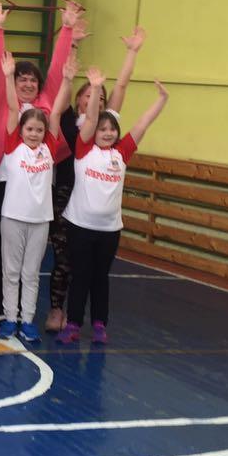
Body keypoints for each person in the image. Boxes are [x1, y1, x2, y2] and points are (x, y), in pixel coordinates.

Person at [0, 0, 84, 319]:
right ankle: (4, 311)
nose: (27, 83)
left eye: (32, 80)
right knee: (6, 251)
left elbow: (57, 71)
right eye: (21, 78)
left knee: (33, 255)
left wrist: (67, 28)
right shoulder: (3, 103)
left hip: (40, 187)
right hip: (6, 184)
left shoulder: (46, 104)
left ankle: (26, 313)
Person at [47, 26, 146, 332]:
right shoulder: (68, 119)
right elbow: (65, 78)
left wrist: (132, 52)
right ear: (80, 98)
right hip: (67, 191)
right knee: (64, 258)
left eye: (100, 96)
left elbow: (122, 86)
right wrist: (72, 44)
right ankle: (57, 308)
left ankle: (78, 314)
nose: (96, 99)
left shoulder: (106, 125)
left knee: (90, 265)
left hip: (95, 199)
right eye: (90, 94)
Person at [59, 69, 168, 345]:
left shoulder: (122, 152)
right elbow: (91, 118)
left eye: (112, 130)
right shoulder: (84, 149)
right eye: (102, 129)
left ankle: (99, 324)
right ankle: (73, 323)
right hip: (80, 226)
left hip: (109, 230)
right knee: (80, 276)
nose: (107, 133)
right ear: (93, 132)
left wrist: (161, 100)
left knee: (100, 277)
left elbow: (143, 123)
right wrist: (96, 88)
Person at [0, 51, 71, 343]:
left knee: (31, 273)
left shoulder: (49, 148)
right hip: (13, 217)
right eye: (29, 129)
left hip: (40, 220)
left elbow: (57, 113)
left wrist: (66, 80)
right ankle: (9, 319)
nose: (35, 133)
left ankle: (27, 320)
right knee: (11, 272)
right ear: (21, 130)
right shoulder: (13, 146)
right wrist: (7, 76)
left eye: (40, 129)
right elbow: (13, 108)